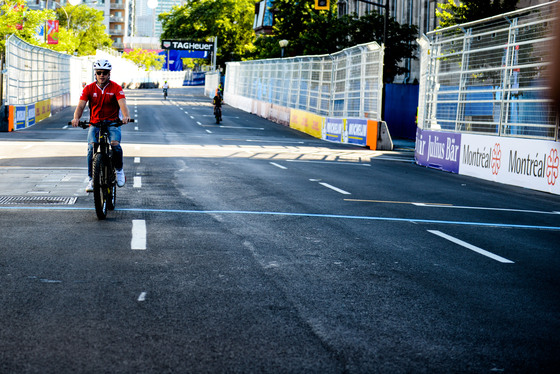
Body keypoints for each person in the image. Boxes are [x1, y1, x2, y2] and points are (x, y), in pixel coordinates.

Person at [71, 59, 131, 192]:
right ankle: (91, 179)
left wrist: (126, 116)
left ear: (109, 74)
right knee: (91, 148)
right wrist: (76, 118)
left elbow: (122, 104)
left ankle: (119, 171)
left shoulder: (116, 87)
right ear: (95, 74)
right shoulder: (89, 88)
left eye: (105, 73)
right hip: (95, 123)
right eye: (99, 72)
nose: (102, 75)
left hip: (113, 122)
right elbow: (81, 106)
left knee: (115, 144)